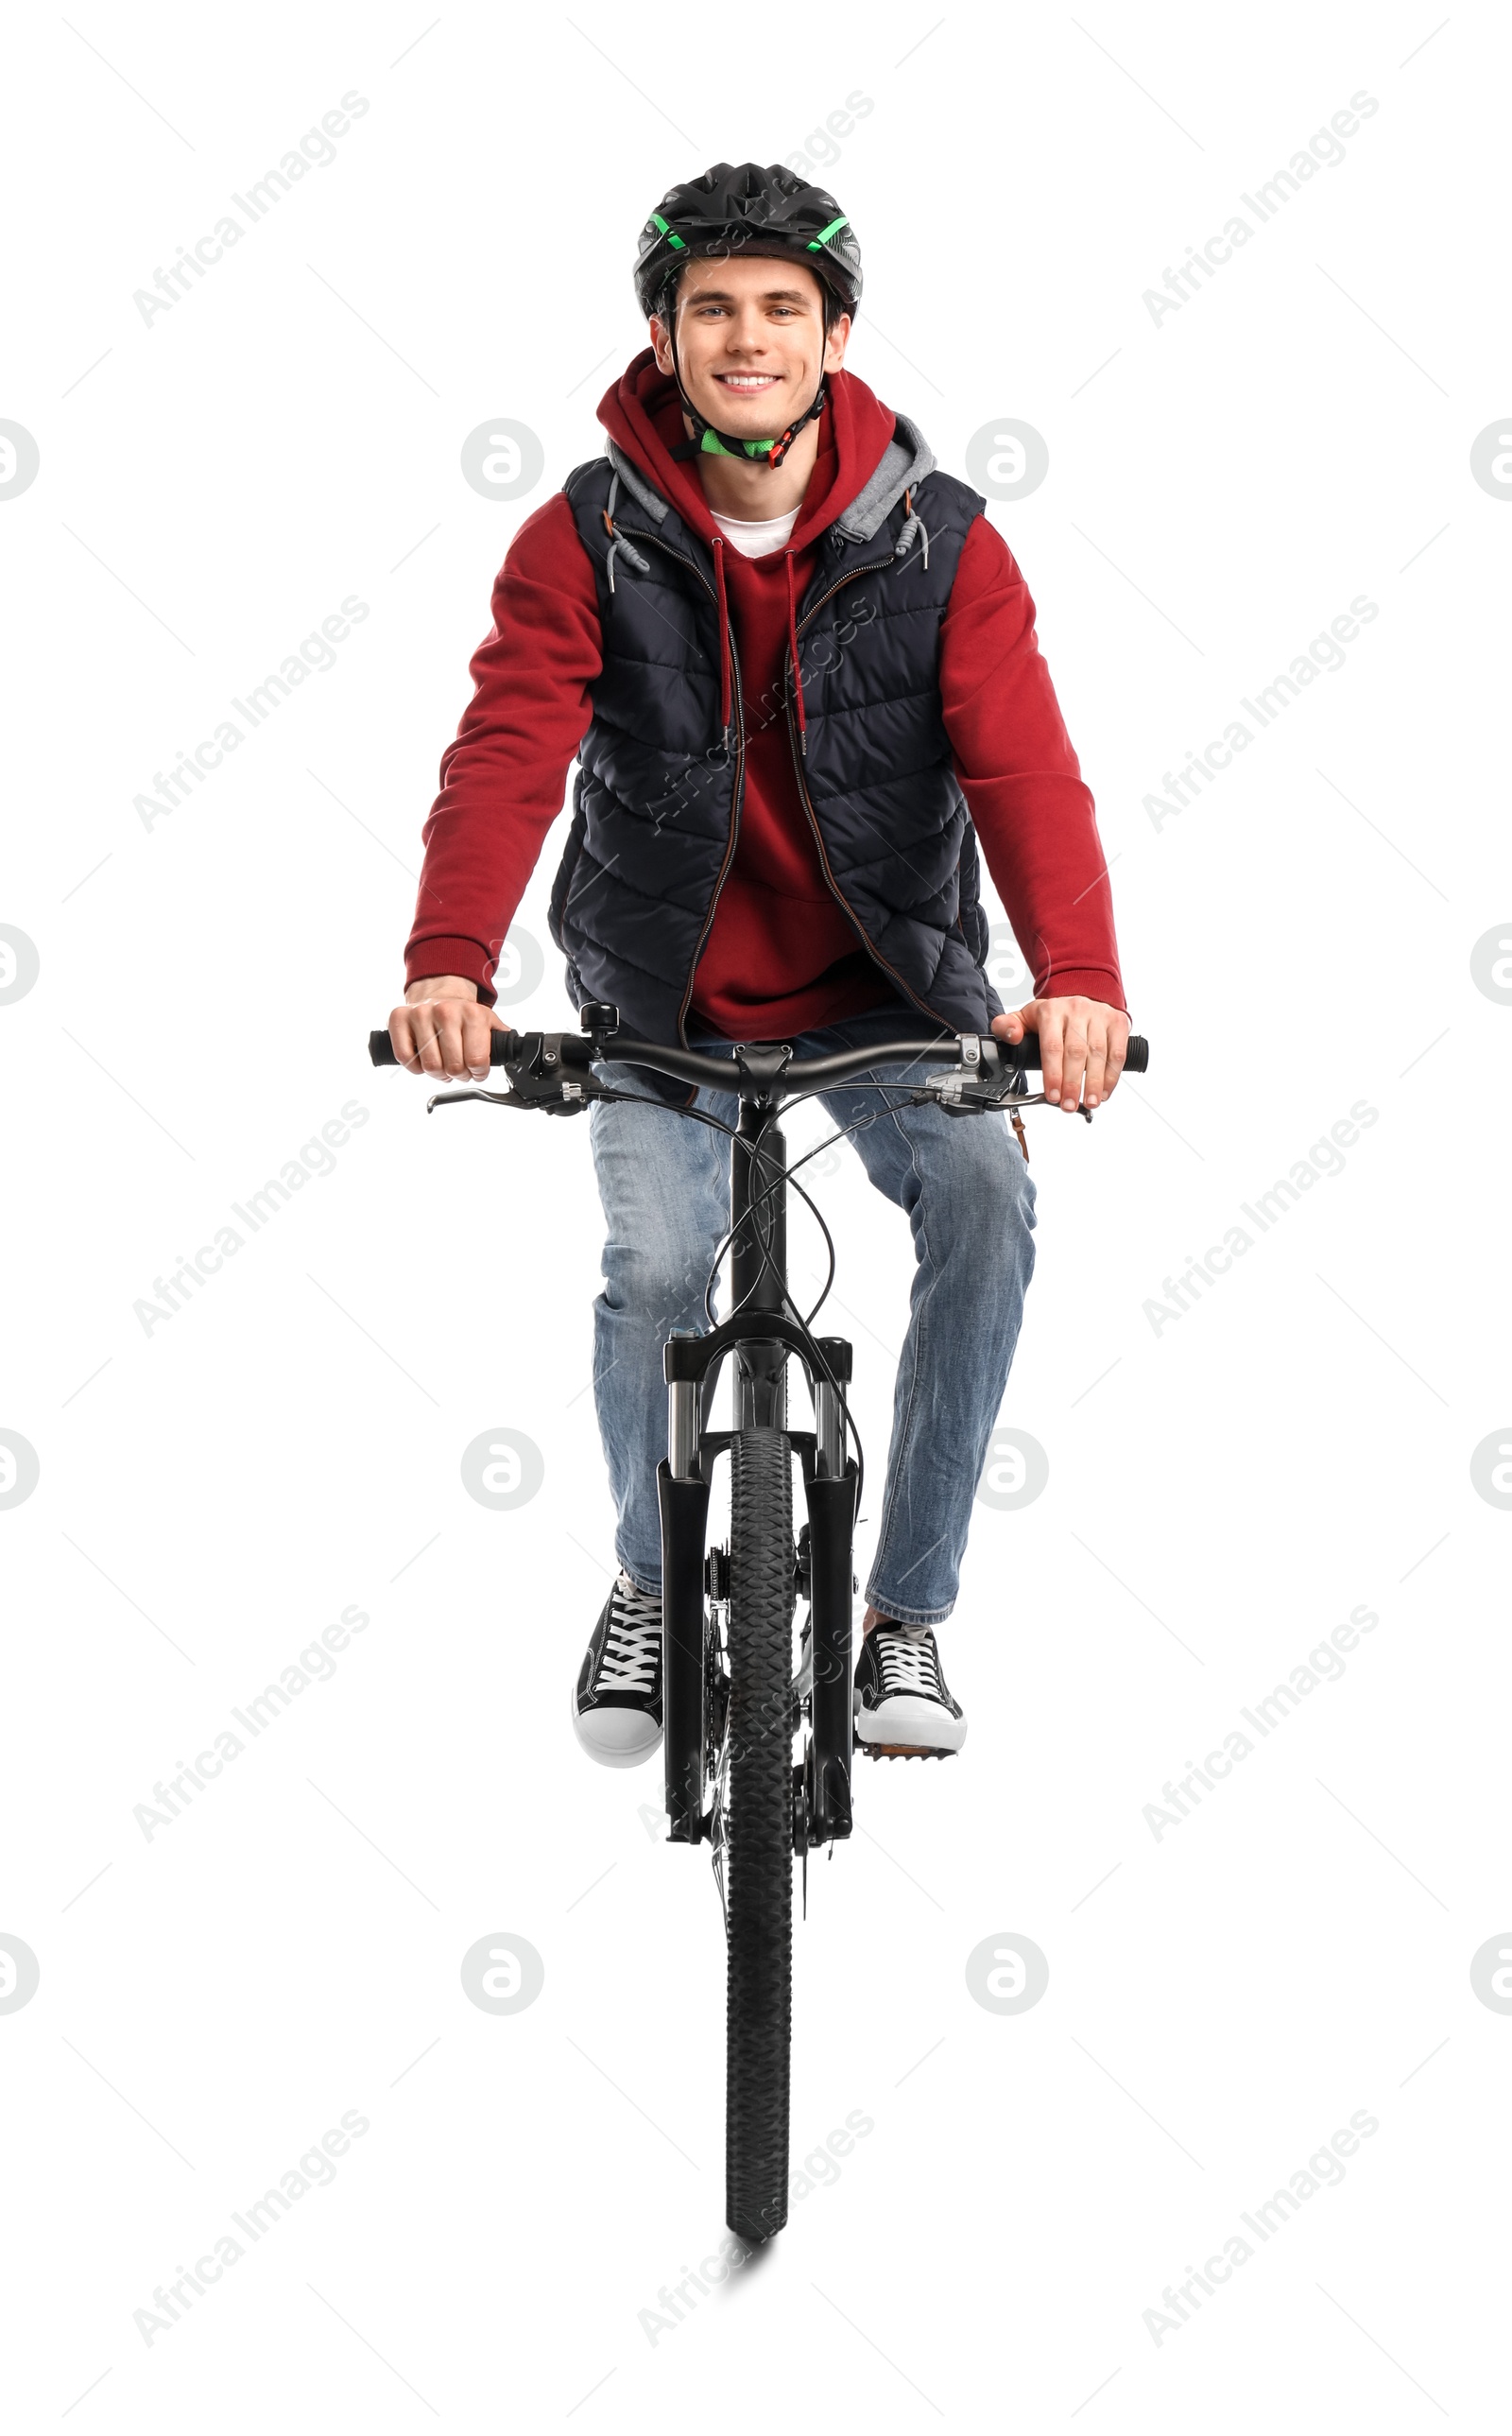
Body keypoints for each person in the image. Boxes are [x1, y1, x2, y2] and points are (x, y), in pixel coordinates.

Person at [387, 162, 1129, 1771]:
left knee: (989, 1203)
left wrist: (1077, 975)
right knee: (657, 1273)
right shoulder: (585, 533)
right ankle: (652, 1583)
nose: (746, 338)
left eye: (780, 310)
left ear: (835, 335)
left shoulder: (944, 543)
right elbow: (508, 748)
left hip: (890, 996)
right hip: (658, 1002)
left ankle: (906, 1614)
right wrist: (452, 961)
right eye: (711, 307)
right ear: (663, 337)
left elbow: (1024, 768)